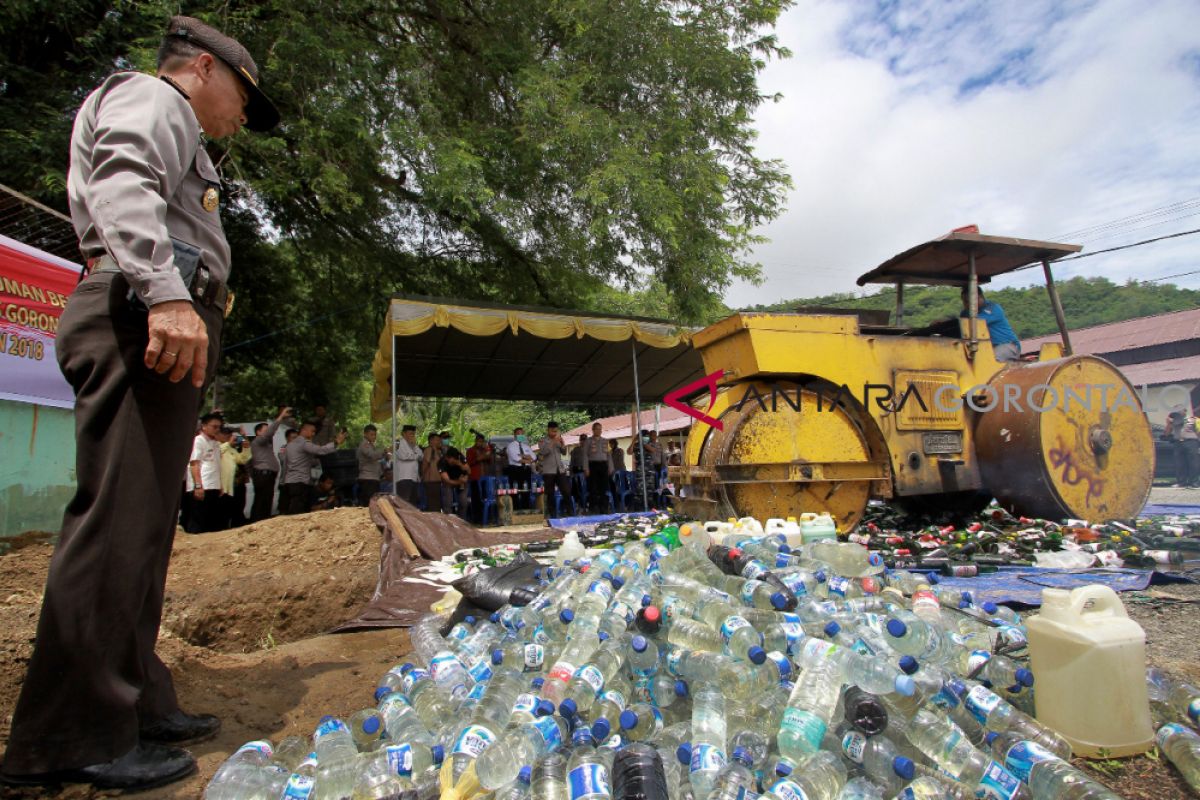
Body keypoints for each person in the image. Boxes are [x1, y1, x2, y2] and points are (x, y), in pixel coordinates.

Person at [0, 16, 280, 791]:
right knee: (118, 525)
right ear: (200, 66)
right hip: (136, 317)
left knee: (146, 530)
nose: (243, 117)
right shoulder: (155, 101)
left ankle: (133, 700)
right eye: (243, 96)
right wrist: (165, 295)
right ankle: (71, 737)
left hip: (153, 321)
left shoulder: (181, 125)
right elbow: (123, 182)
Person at [280, 421, 347, 514]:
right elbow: (320, 450)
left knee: (292, 507)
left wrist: (283, 481)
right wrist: (336, 443)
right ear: (304, 430)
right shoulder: (304, 443)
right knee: (298, 510)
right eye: (312, 431)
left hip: (289, 482)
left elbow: (285, 464)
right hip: (300, 481)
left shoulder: (290, 445)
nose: (313, 433)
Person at [249, 406, 291, 521]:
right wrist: (281, 416)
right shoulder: (257, 441)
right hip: (263, 475)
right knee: (261, 501)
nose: (269, 432)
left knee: (267, 501)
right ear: (258, 432)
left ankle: (262, 523)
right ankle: (256, 523)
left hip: (268, 475)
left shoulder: (266, 444)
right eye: (265, 430)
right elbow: (269, 433)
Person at [186, 413, 225, 533]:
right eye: (214, 427)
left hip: (214, 485)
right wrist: (198, 485)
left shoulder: (216, 443)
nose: (217, 430)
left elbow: (217, 465)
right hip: (203, 485)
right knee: (198, 520)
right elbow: (194, 464)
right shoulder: (198, 440)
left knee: (211, 521)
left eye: (219, 427)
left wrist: (220, 484)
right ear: (204, 426)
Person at [961, 286, 1021, 362]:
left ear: (979, 297)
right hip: (984, 349)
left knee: (991, 362)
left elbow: (976, 323)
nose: (966, 304)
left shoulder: (993, 308)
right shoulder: (965, 313)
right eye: (964, 301)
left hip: (1006, 345)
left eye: (968, 301)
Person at [218, 426, 252, 528]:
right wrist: (228, 443)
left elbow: (242, 459)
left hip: (236, 483)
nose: (228, 436)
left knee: (238, 510)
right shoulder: (217, 446)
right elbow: (219, 451)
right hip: (224, 486)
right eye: (225, 434)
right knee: (224, 513)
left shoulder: (231, 449)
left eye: (229, 434)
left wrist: (246, 448)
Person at [537, 421, 572, 519]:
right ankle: (552, 514)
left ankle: (569, 512)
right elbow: (543, 452)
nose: (554, 433)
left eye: (556, 431)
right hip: (548, 470)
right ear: (548, 430)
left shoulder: (559, 439)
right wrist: (553, 442)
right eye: (553, 431)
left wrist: (563, 444)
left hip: (560, 469)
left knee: (566, 490)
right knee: (550, 493)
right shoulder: (542, 441)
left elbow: (564, 452)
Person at [583, 422, 612, 513]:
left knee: (603, 487)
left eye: (600, 429)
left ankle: (603, 507)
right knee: (593, 487)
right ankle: (593, 507)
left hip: (603, 465)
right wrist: (586, 468)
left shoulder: (605, 441)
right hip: (593, 465)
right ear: (593, 430)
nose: (599, 431)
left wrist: (611, 467)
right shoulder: (588, 441)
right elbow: (585, 455)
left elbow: (609, 455)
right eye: (597, 429)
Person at [356, 424, 388, 506]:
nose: (374, 437)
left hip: (373, 478)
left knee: (374, 504)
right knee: (369, 504)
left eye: (375, 435)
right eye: (372, 434)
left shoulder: (371, 445)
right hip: (367, 479)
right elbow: (372, 455)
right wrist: (384, 451)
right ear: (365, 434)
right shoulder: (364, 445)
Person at [505, 427, 535, 509]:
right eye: (518, 434)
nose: (520, 436)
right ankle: (515, 509)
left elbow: (534, 457)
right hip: (515, 470)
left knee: (526, 490)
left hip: (526, 470)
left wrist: (523, 456)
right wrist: (528, 458)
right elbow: (516, 459)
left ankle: (526, 509)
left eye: (522, 434)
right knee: (515, 490)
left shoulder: (526, 446)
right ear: (514, 435)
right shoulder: (511, 446)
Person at [466, 433, 493, 522]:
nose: (480, 443)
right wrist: (479, 458)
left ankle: (487, 517)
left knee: (486, 497)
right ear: (476, 441)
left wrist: (487, 454)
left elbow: (490, 461)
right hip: (475, 478)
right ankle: (477, 518)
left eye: (482, 442)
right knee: (476, 498)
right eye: (479, 441)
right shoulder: (470, 450)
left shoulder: (485, 450)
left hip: (485, 478)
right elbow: (469, 463)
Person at [393, 424, 421, 505]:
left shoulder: (414, 445)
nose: (412, 436)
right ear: (403, 434)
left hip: (414, 477)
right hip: (403, 477)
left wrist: (414, 448)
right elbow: (403, 456)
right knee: (404, 502)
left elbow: (421, 456)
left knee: (413, 502)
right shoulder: (398, 443)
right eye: (410, 433)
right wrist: (415, 455)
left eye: (413, 434)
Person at [438, 448, 470, 519]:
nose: (454, 462)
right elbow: (446, 480)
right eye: (452, 461)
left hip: (461, 481)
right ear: (447, 458)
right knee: (448, 501)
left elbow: (468, 471)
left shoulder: (460, 457)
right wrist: (459, 481)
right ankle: (448, 520)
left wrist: (460, 464)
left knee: (463, 502)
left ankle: (462, 520)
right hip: (449, 482)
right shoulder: (442, 462)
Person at [420, 432, 444, 512]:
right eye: (437, 440)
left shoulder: (438, 451)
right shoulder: (429, 450)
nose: (439, 441)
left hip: (437, 480)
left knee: (437, 503)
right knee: (433, 504)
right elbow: (426, 464)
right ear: (431, 441)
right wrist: (423, 476)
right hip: (430, 481)